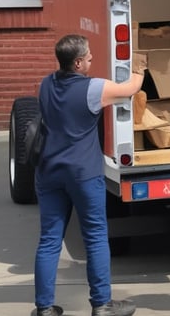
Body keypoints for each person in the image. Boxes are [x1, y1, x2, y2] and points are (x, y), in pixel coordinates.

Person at [33, 34, 147, 316]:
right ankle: (102, 305)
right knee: (95, 236)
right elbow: (130, 89)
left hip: (49, 172)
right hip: (83, 173)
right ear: (78, 63)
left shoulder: (46, 84)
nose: (92, 60)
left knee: (49, 240)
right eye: (89, 58)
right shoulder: (93, 89)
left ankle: (44, 308)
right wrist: (140, 67)